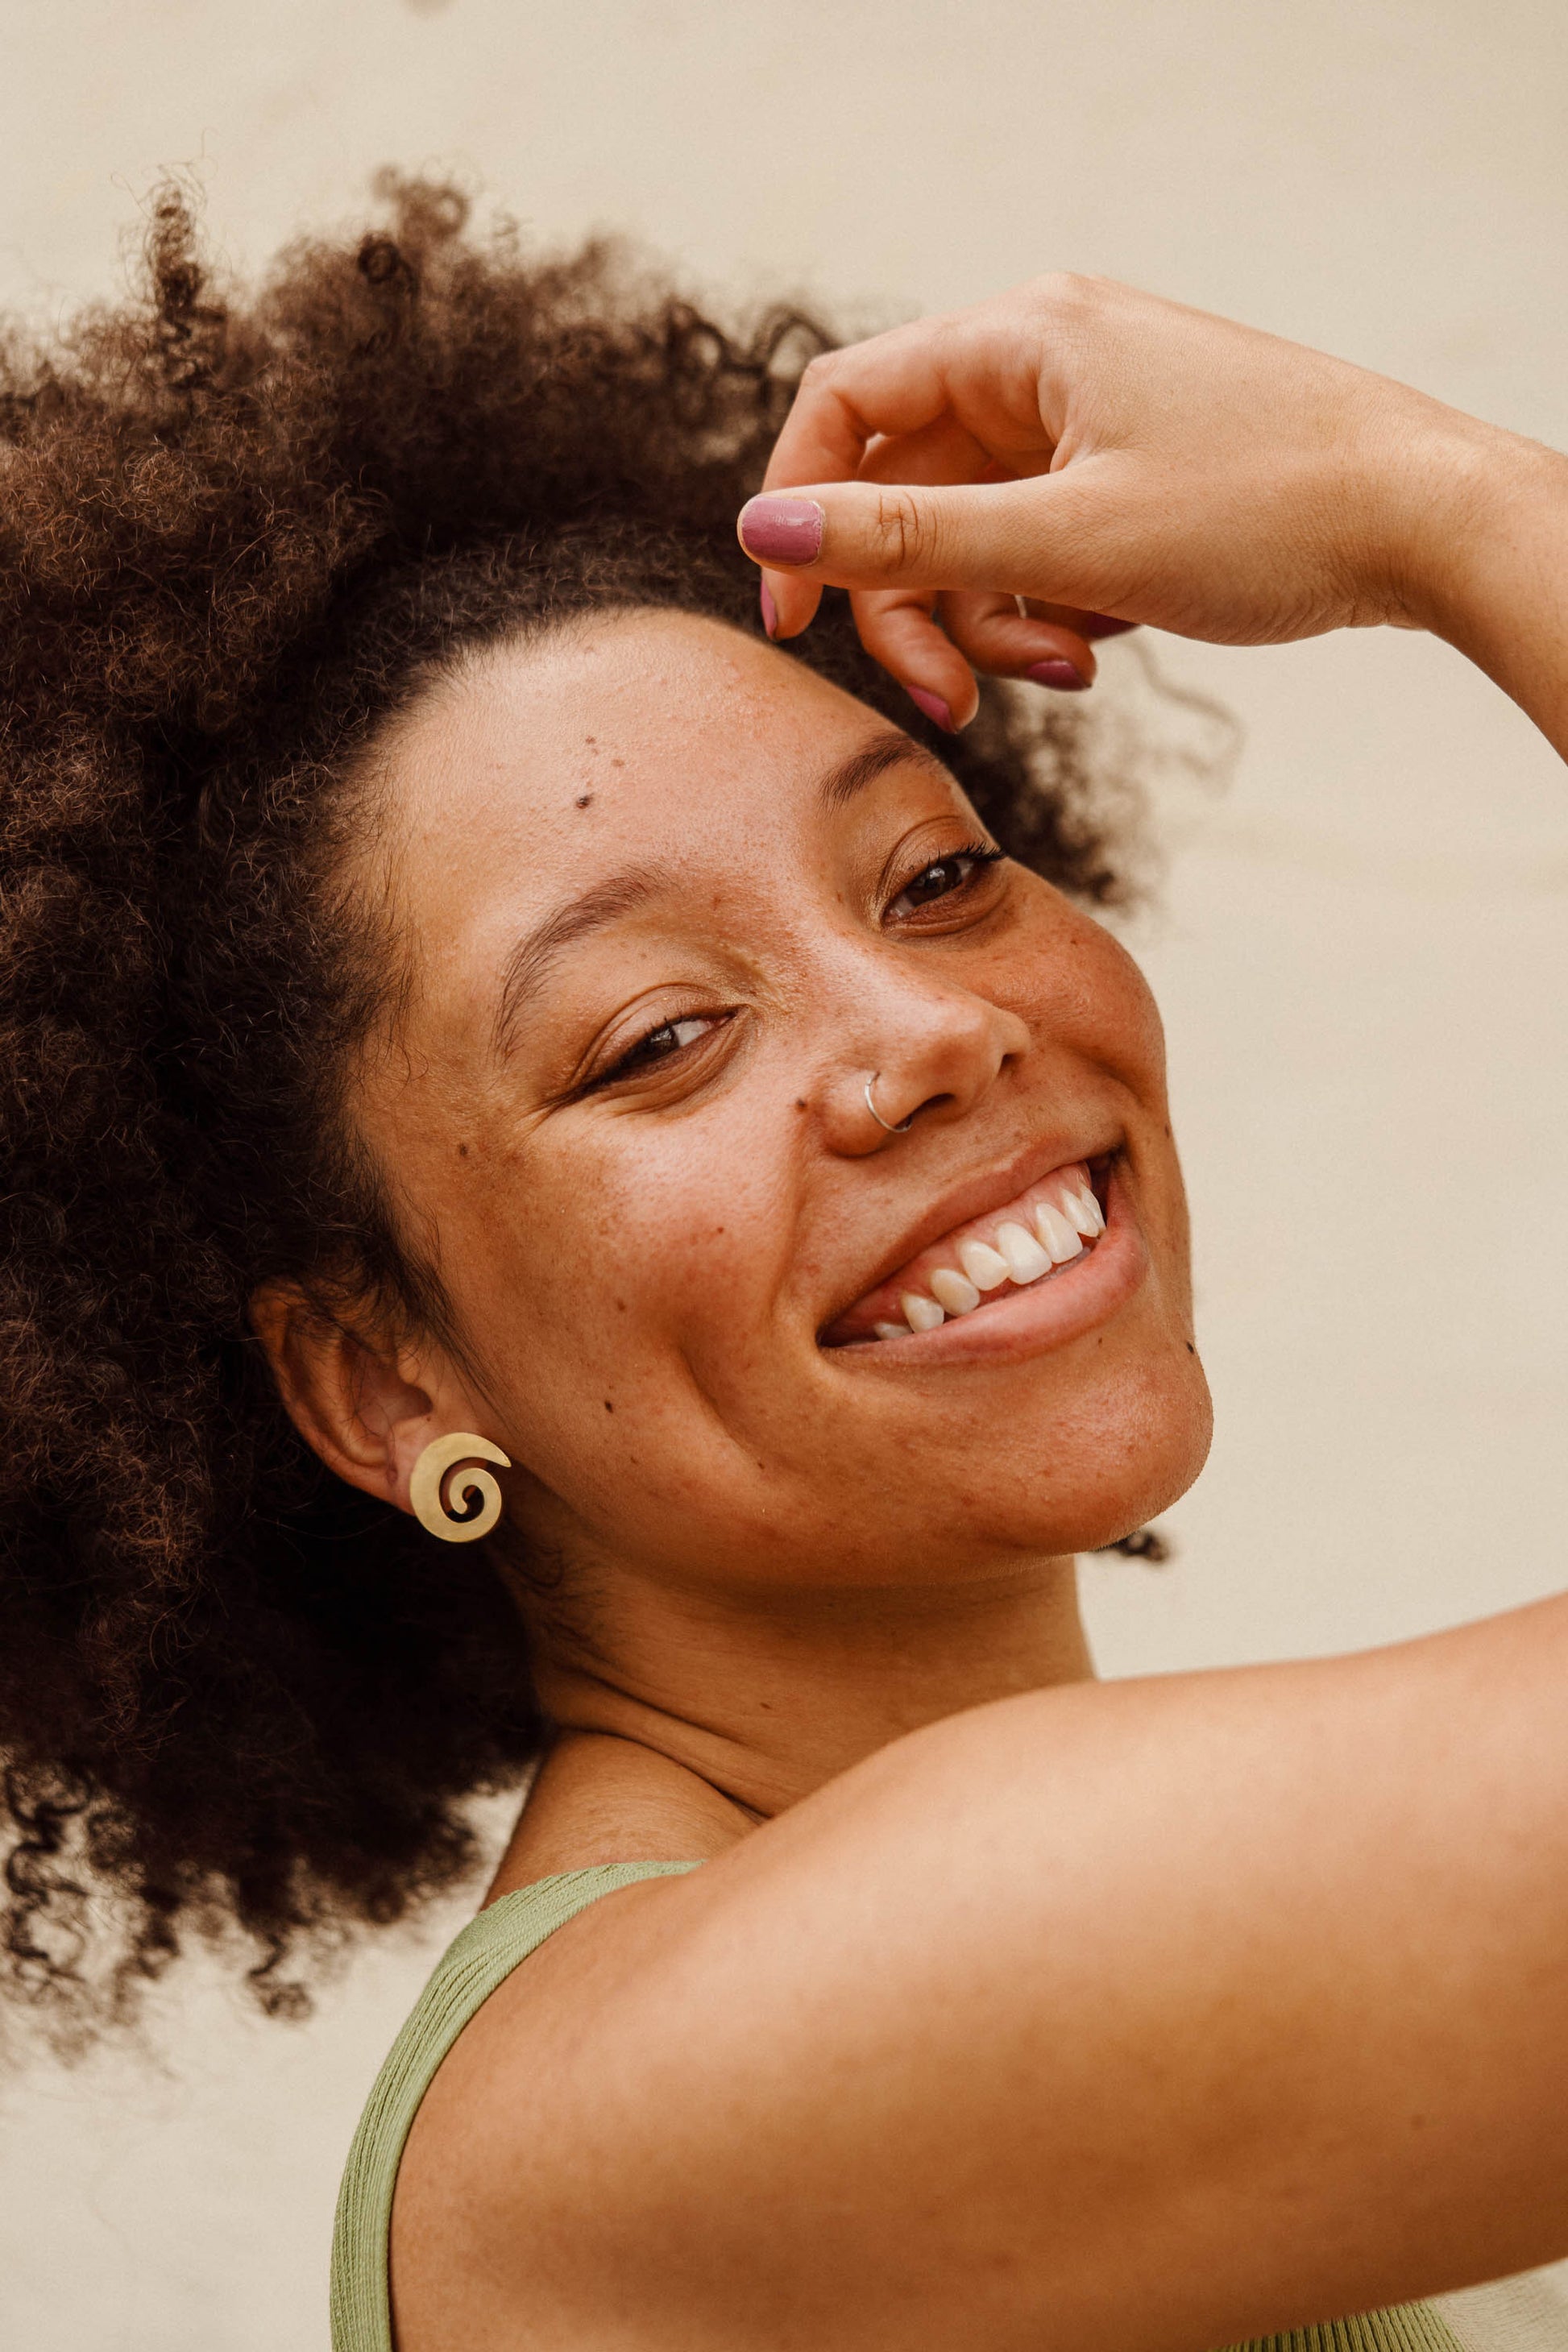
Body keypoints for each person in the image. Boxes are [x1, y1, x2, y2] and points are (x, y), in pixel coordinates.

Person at [2, 185, 1566, 2352]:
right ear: (387, 1388)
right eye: (659, 1036)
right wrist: (1431, 507)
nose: (928, 1032)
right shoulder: (671, 2090)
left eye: (931, 873)